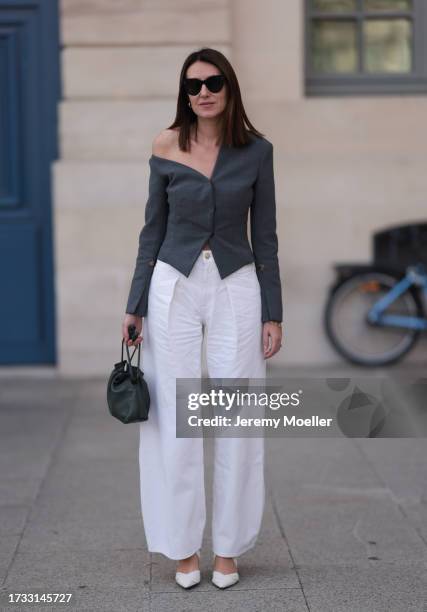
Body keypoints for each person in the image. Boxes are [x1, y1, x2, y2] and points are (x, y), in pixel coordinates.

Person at [122, 47, 283, 589]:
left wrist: (273, 312)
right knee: (174, 416)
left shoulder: (257, 152)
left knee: (237, 414)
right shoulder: (165, 144)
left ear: (229, 87)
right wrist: (135, 302)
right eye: (193, 85)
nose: (203, 92)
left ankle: (230, 549)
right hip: (173, 286)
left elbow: (266, 236)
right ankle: (183, 548)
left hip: (237, 285)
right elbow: (152, 230)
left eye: (213, 82)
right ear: (183, 93)